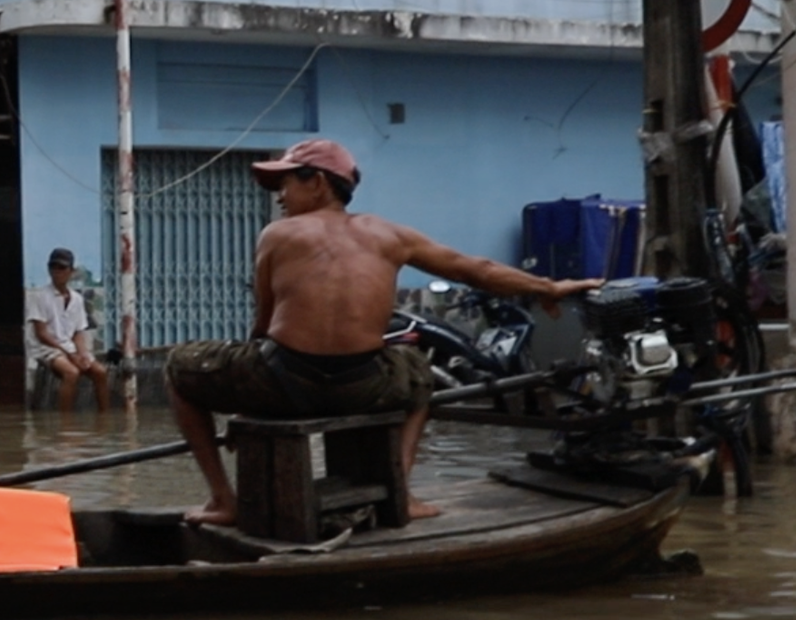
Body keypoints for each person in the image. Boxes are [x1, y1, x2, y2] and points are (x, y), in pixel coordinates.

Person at [167, 139, 601, 526]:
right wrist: (549, 287)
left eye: (286, 185)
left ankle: (224, 500)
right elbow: (477, 270)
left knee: (178, 370)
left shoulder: (278, 234)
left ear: (318, 182)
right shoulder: (390, 234)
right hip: (362, 383)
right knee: (419, 372)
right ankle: (403, 494)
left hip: (285, 381)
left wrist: (248, 404)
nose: (280, 197)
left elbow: (262, 326)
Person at [26, 248, 109, 412]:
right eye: (53, 267)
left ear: (72, 271)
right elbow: (41, 334)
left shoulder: (77, 299)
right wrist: (70, 354)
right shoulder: (40, 296)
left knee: (100, 372)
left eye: (62, 268)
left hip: (68, 346)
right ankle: (66, 423)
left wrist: (82, 353)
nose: (57, 272)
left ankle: (104, 418)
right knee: (71, 373)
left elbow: (78, 332)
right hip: (46, 349)